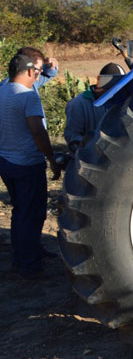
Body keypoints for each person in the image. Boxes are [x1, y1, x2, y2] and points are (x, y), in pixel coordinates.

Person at [0, 53, 62, 279]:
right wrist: (51, 159)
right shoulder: (28, 97)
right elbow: (38, 130)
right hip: (27, 163)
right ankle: (30, 267)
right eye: (37, 72)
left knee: (20, 212)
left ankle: (22, 257)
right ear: (28, 71)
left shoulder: (2, 90)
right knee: (33, 214)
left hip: (6, 161)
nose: (38, 76)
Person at [64, 62, 125, 152]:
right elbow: (73, 134)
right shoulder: (79, 104)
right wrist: (86, 145)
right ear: (100, 82)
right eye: (111, 86)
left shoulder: (122, 101)